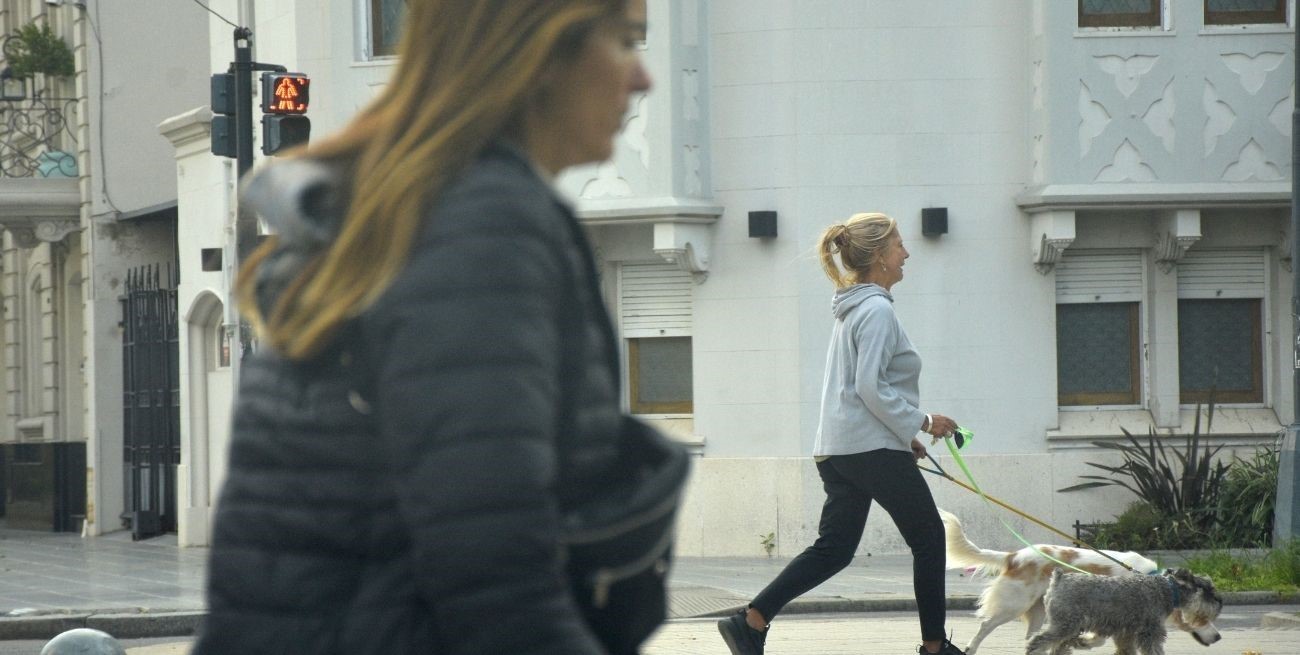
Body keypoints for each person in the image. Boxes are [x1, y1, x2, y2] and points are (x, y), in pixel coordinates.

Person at [192, 2, 665, 653]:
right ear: (540, 53)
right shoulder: (479, 219)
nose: (644, 78)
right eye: (625, 42)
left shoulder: (400, 199)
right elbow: (492, 566)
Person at [717, 212, 967, 655]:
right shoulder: (875, 311)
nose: (906, 253)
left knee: (834, 549)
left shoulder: (853, 308)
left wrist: (901, 433)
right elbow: (869, 387)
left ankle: (750, 622)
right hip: (868, 450)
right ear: (879, 257)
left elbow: (860, 389)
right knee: (929, 539)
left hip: (842, 450)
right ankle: (935, 648)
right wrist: (924, 422)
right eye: (899, 246)